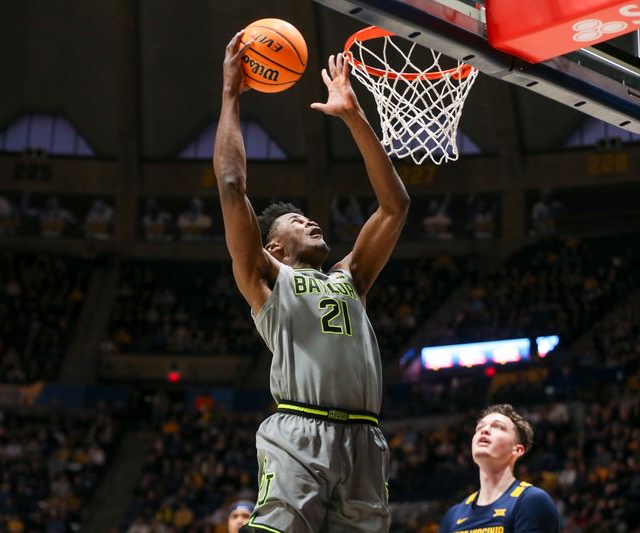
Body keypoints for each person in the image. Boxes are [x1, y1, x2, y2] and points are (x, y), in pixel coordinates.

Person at [214, 31, 410, 533]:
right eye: (296, 221)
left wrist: (354, 117)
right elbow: (233, 187)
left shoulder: (352, 278)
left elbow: (395, 206)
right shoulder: (264, 276)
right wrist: (232, 95)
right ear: (273, 245)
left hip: (364, 439)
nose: (311, 222)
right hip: (299, 429)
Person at [439, 404, 560, 532]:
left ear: (517, 450)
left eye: (498, 427)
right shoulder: (452, 516)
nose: (484, 430)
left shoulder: (532, 501)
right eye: (480, 427)